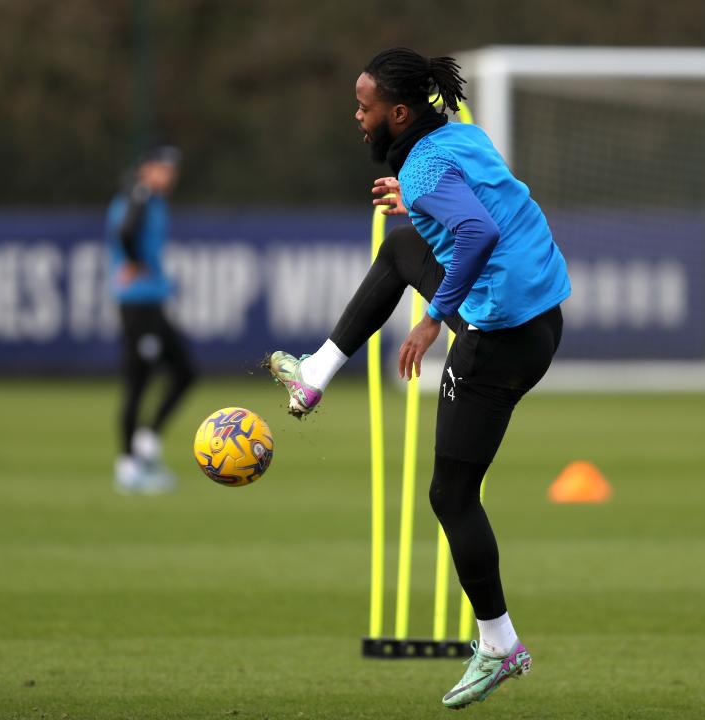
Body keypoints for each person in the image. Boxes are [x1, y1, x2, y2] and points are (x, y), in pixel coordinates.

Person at [264, 48, 570, 709]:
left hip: (499, 341)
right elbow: (480, 198)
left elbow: (478, 231)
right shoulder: (459, 133)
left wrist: (434, 319)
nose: (357, 117)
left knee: (450, 496)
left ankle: (499, 644)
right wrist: (419, 202)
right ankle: (316, 372)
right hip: (542, 318)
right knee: (404, 243)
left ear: (398, 114)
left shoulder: (428, 163)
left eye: (365, 107)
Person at [105, 145, 196, 494]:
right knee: (138, 380)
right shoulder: (139, 197)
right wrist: (133, 262)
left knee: (185, 372)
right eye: (163, 168)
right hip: (137, 304)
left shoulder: (152, 200)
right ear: (146, 168)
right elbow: (126, 232)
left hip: (152, 302)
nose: (169, 175)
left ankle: (145, 444)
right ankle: (128, 464)